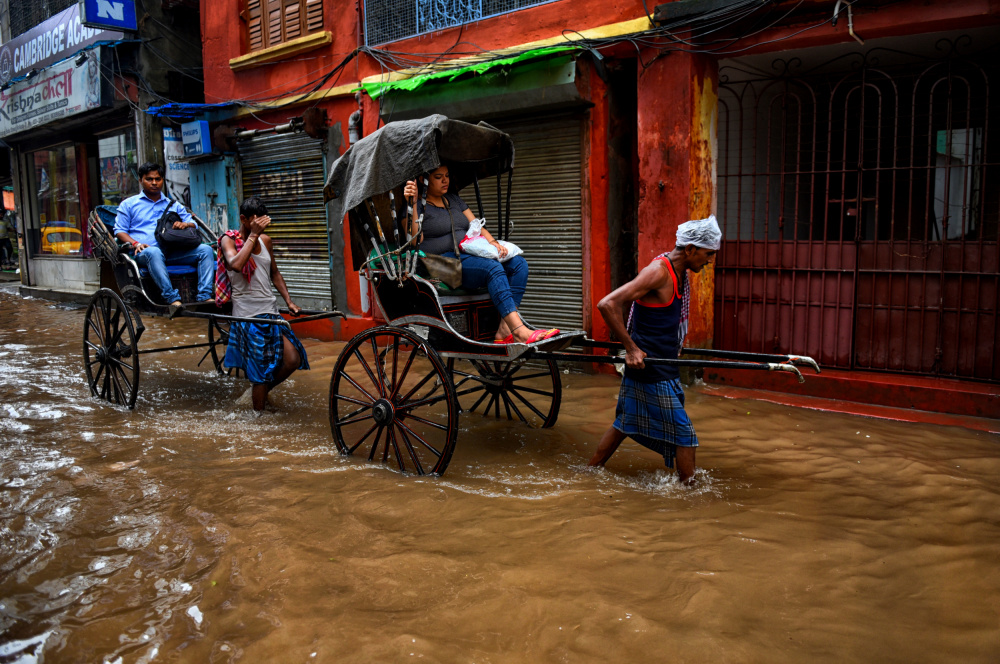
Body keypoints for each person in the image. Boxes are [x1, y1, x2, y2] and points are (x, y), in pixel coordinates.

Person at [588, 215, 721, 484]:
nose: (709, 261)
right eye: (708, 254)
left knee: (625, 422)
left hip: (664, 363)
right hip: (650, 367)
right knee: (685, 435)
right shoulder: (659, 272)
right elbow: (607, 303)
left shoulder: (680, 272)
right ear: (690, 249)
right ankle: (690, 491)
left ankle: (589, 471)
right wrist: (631, 348)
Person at [404, 165, 558, 344]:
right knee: (491, 269)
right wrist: (413, 203)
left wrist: (493, 244)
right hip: (439, 264)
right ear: (424, 180)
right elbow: (415, 240)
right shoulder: (416, 206)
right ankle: (519, 330)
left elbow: (476, 224)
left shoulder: (453, 199)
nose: (445, 180)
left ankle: (505, 328)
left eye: (447, 175)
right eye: (438, 177)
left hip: (467, 254)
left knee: (518, 264)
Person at [217, 196, 309, 411]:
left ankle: (257, 395)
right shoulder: (228, 241)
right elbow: (236, 264)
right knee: (260, 374)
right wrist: (253, 235)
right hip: (247, 316)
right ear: (243, 219)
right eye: (255, 222)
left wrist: (289, 301)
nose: (259, 227)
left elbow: (274, 273)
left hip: (270, 312)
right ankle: (258, 422)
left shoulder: (266, 241)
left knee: (292, 359)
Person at [114, 162, 214, 306]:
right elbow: (119, 231)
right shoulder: (129, 204)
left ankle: (204, 295)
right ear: (141, 180)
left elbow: (194, 224)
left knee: (206, 250)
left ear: (162, 180)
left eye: (158, 179)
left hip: (173, 252)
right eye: (149, 179)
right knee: (154, 252)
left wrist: (185, 224)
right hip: (145, 253)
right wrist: (136, 243)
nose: (154, 183)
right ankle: (172, 298)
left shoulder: (173, 204)